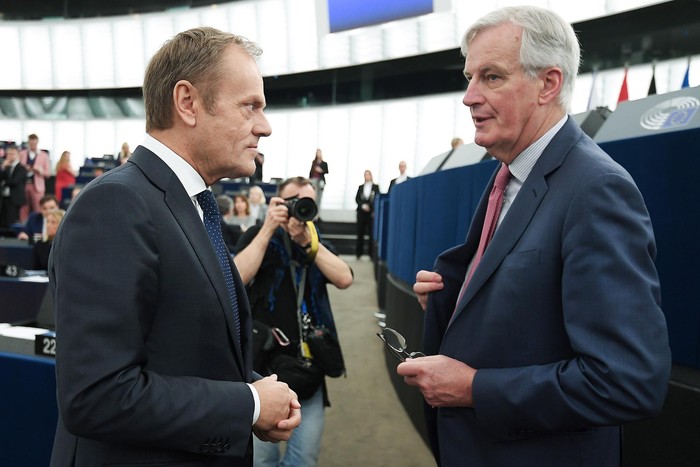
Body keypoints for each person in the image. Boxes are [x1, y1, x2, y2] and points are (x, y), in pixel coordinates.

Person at [399, 6, 671, 467]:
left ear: (548, 84)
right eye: (469, 77)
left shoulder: (597, 189)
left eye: (491, 77)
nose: (468, 96)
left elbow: (627, 382)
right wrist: (460, 299)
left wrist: (472, 389)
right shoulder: (511, 171)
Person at [49, 27, 300, 467]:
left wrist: (255, 391)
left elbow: (183, 349)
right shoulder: (116, 204)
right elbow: (97, 395)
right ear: (188, 103)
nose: (265, 126)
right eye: (250, 106)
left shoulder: (196, 204)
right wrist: (249, 405)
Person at [233, 176, 353, 467]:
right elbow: (234, 280)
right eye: (294, 200)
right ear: (279, 202)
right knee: (263, 461)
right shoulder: (259, 234)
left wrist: (307, 242)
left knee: (304, 459)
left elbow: (344, 278)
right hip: (263, 367)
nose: (300, 206)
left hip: (309, 364)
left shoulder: (314, 238)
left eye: (307, 201)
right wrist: (268, 228)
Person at [19, 133, 51, 221]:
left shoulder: (43, 155)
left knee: (38, 207)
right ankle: (24, 226)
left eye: (34, 142)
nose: (32, 144)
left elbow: (48, 173)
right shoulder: (22, 154)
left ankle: (39, 227)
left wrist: (39, 170)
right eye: (31, 142)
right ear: (28, 142)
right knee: (23, 208)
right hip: (24, 184)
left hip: (37, 186)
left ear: (37, 142)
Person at [0, 145, 28, 229]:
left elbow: (15, 182)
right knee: (3, 218)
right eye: (8, 154)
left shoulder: (21, 168)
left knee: (11, 219)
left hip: (15, 198)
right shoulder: (6, 167)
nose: (9, 156)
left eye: (12, 154)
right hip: (5, 196)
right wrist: (3, 168)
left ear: (17, 155)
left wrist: (4, 183)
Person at [354, 169, 378, 259]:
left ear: (371, 176)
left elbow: (377, 199)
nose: (366, 176)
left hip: (371, 213)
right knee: (360, 233)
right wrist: (362, 206)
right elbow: (357, 199)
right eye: (365, 175)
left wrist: (370, 207)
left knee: (371, 234)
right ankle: (358, 253)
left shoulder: (376, 187)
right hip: (361, 213)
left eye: (368, 175)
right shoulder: (360, 187)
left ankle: (371, 254)